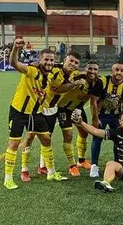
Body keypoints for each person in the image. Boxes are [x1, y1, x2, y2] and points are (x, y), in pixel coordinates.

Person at [2, 39, 65, 189]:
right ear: (40, 60)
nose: (49, 62)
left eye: (51, 60)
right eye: (46, 59)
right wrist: (15, 49)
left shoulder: (50, 76)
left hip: (36, 113)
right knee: (14, 144)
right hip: (19, 112)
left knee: (46, 139)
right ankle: (8, 178)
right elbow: (14, 63)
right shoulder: (31, 70)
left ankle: (51, 172)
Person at [19, 52, 83, 181]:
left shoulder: (74, 74)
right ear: (65, 60)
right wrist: (75, 83)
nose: (73, 64)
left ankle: (42, 166)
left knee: (47, 139)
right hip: (39, 108)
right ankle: (24, 169)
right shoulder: (54, 69)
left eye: (76, 63)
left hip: (53, 110)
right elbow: (58, 89)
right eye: (71, 61)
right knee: (30, 136)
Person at [73, 111, 123, 192]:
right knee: (110, 163)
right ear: (120, 122)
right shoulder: (116, 133)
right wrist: (81, 123)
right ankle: (106, 183)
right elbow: (96, 131)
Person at [54, 61, 104, 174]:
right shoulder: (78, 76)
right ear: (85, 69)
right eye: (90, 68)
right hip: (64, 108)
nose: (92, 71)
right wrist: (74, 82)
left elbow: (93, 101)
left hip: (77, 109)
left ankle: (81, 160)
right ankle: (72, 165)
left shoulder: (98, 83)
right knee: (68, 135)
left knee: (84, 133)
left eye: (95, 69)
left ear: (98, 71)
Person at [90, 62, 123, 178]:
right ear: (112, 71)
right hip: (101, 115)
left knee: (119, 139)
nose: (119, 72)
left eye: (122, 70)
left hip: (116, 116)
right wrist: (95, 118)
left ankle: (118, 164)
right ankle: (94, 166)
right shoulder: (102, 81)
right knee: (97, 138)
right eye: (116, 70)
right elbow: (93, 101)